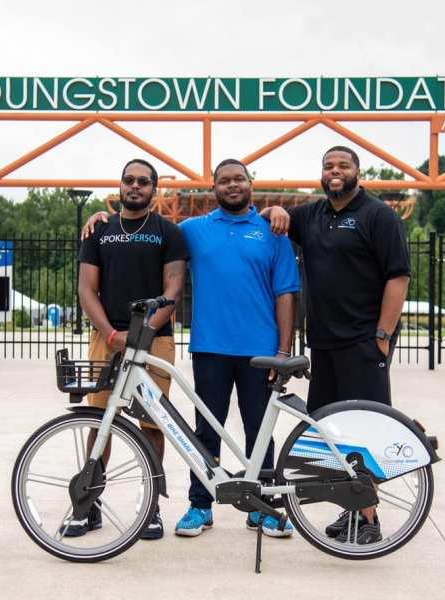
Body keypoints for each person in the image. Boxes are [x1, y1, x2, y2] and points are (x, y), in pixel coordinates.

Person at [82, 158, 300, 540]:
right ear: (214, 188)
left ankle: (263, 506)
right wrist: (103, 216)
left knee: (259, 431)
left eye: (239, 179)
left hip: (261, 349)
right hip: (210, 347)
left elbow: (286, 294)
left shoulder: (272, 231)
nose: (232, 185)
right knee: (204, 431)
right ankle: (201, 504)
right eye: (224, 181)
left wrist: (283, 350)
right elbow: (141, 225)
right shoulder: (192, 230)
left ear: (250, 183)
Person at [261, 146, 411, 545]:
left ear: (358, 172)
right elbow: (274, 220)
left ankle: (369, 519)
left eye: (343, 165)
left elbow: (398, 277)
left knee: (366, 432)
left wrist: (382, 336)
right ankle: (350, 512)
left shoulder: (377, 215)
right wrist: (274, 210)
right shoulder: (313, 214)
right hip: (324, 346)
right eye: (328, 165)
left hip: (363, 342)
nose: (334, 171)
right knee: (332, 434)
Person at [73, 158, 188, 540]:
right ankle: (88, 504)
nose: (135, 186)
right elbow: (87, 289)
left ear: (155, 188)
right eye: (128, 180)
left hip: (154, 339)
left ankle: (151, 507)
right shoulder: (99, 230)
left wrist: (142, 333)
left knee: (152, 424)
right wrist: (110, 334)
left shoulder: (168, 232)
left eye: (143, 181)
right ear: (119, 186)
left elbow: (173, 290)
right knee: (99, 420)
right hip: (108, 339)